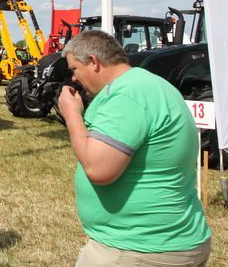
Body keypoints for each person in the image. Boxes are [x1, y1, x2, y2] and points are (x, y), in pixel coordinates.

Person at [57, 30, 212, 266]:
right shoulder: (149, 84)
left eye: (74, 69)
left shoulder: (127, 95)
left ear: (93, 62)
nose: (74, 79)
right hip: (164, 242)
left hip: (138, 249)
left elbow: (98, 169)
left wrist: (71, 114)